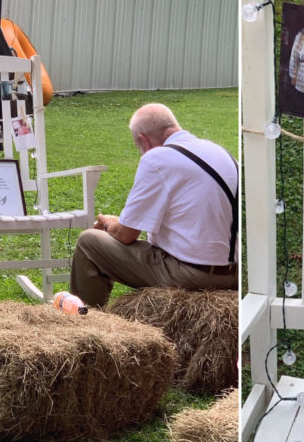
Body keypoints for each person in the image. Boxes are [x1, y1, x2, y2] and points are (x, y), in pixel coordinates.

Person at [69, 103, 238, 307]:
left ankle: (87, 322)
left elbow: (126, 235)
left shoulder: (157, 158)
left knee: (89, 241)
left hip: (193, 276)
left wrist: (108, 223)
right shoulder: (222, 153)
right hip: (232, 274)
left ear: (144, 140)